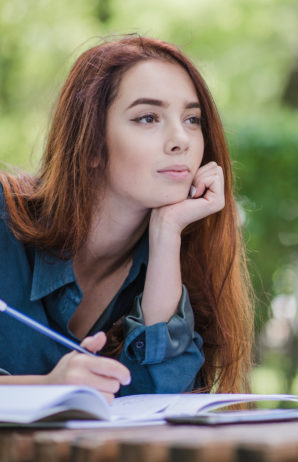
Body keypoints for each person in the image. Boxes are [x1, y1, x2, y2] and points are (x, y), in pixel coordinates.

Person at [0, 35, 253, 401]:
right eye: (148, 118)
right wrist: (47, 388)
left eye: (192, 119)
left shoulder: (180, 260)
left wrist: (167, 234)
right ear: (91, 145)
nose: (181, 139)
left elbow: (162, 397)